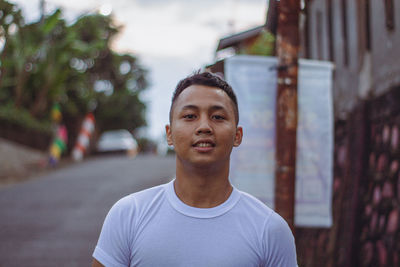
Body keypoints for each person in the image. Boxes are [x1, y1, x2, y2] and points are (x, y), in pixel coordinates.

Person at [92, 71, 298, 267]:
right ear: (169, 134)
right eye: (190, 116)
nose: (204, 127)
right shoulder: (128, 215)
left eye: (218, 117)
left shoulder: (269, 229)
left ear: (237, 135)